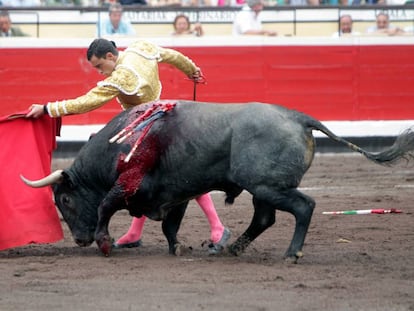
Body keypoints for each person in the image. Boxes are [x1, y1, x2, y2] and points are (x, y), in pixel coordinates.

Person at [25, 38, 231, 255]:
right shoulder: (140, 48)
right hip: (161, 116)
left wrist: (49, 108)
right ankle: (134, 233)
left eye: (99, 66)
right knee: (136, 177)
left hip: (150, 126)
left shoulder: (122, 76)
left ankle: (217, 227)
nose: (99, 72)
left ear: (110, 57)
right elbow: (173, 56)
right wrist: (192, 71)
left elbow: (88, 101)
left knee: (179, 175)